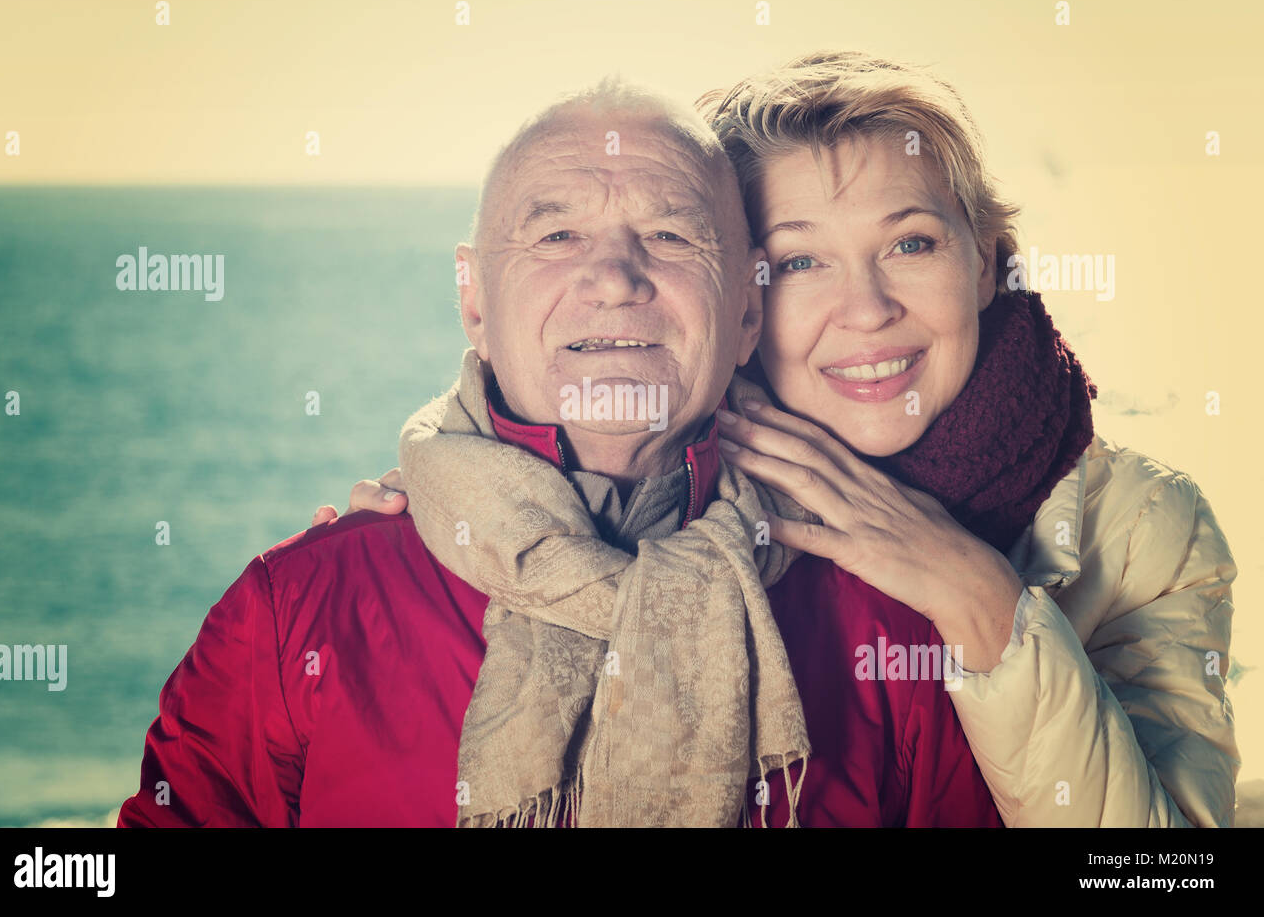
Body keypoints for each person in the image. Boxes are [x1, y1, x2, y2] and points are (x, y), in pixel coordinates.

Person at [331, 52, 1239, 827]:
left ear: (991, 261)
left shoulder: (1142, 527)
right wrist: (454, 497)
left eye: (911, 243)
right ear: (740, 299)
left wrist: (978, 597)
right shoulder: (676, 509)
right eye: (799, 260)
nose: (868, 310)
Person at [119, 80, 1001, 828]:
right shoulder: (297, 611)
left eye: (671, 236)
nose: (614, 277)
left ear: (745, 313)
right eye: (555, 236)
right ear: (473, 301)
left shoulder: (892, 632)